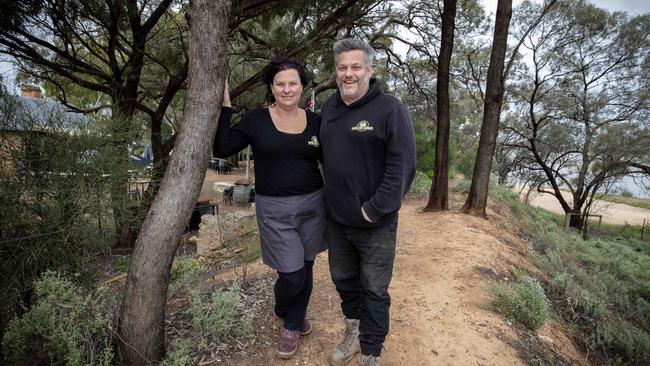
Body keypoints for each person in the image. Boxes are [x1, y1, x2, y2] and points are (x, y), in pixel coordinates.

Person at [213, 58, 326, 359]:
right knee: (291, 276)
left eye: (293, 83)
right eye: (280, 84)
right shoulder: (256, 119)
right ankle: (282, 306)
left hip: (313, 206)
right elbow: (222, 148)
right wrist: (226, 107)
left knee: (306, 266)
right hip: (274, 209)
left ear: (302, 86)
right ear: (272, 88)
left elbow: (333, 161)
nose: (287, 89)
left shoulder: (316, 121)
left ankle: (292, 323)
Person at [319, 38, 416, 366]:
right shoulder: (329, 109)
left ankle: (371, 351)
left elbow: (402, 167)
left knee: (374, 289)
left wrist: (373, 209)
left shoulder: (390, 109)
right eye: (343, 67)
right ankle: (355, 332)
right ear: (336, 72)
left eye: (355, 67)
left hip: (376, 223)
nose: (349, 73)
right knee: (344, 280)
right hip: (338, 222)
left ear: (369, 70)